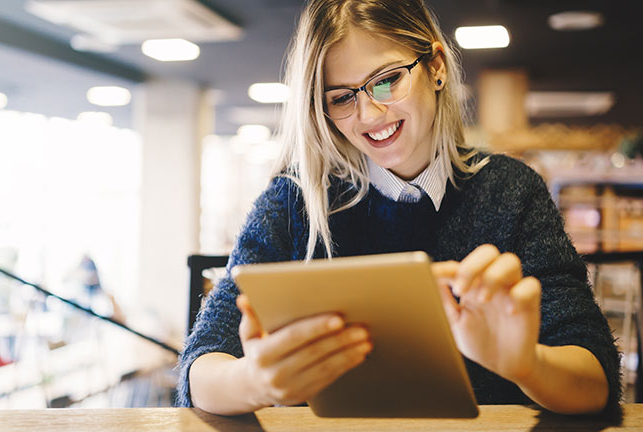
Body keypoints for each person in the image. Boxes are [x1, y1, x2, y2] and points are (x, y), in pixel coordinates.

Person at [177, 0, 620, 417]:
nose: (369, 115)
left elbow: (595, 378)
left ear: (437, 68)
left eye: (387, 80)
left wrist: (526, 364)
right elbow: (201, 367)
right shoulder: (295, 199)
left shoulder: (510, 190)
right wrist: (254, 381)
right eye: (342, 98)